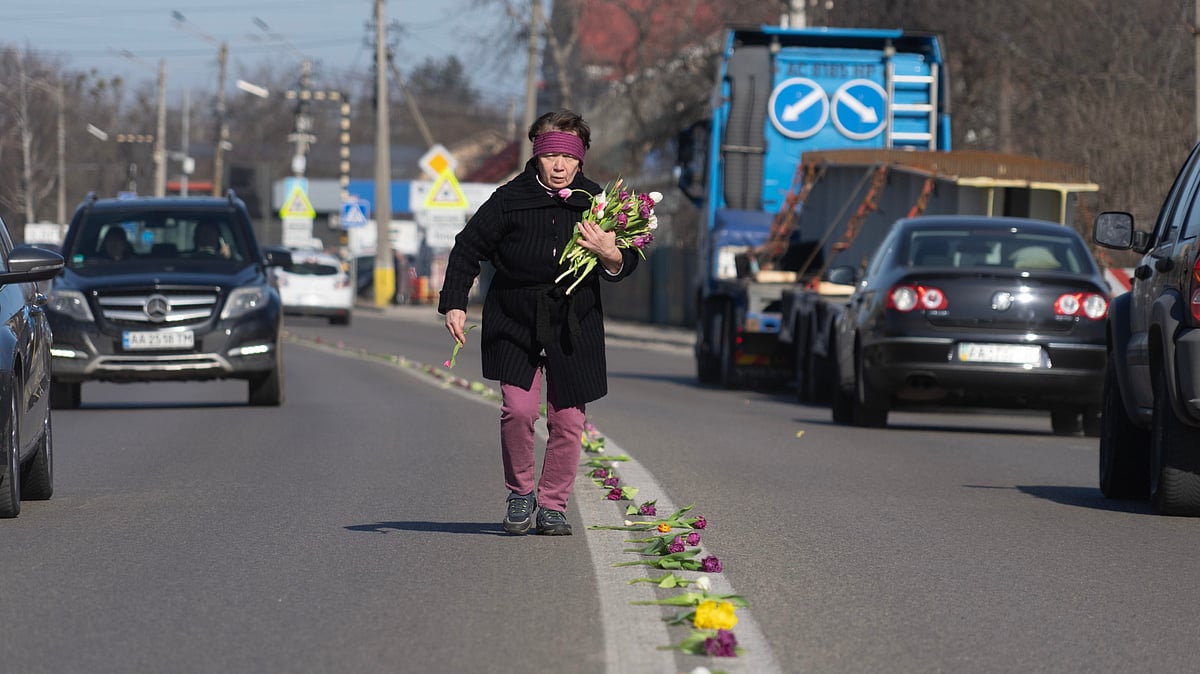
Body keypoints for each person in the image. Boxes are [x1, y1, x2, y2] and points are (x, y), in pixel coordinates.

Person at [438, 109, 640, 536]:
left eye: (569, 157)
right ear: (537, 155)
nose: (560, 166)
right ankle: (520, 493)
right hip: (514, 317)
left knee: (568, 421)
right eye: (551, 156)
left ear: (581, 158)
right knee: (518, 410)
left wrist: (610, 253)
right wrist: (454, 303)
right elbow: (466, 248)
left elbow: (627, 259)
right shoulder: (508, 200)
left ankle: (552, 505)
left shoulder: (599, 203)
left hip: (574, 320)